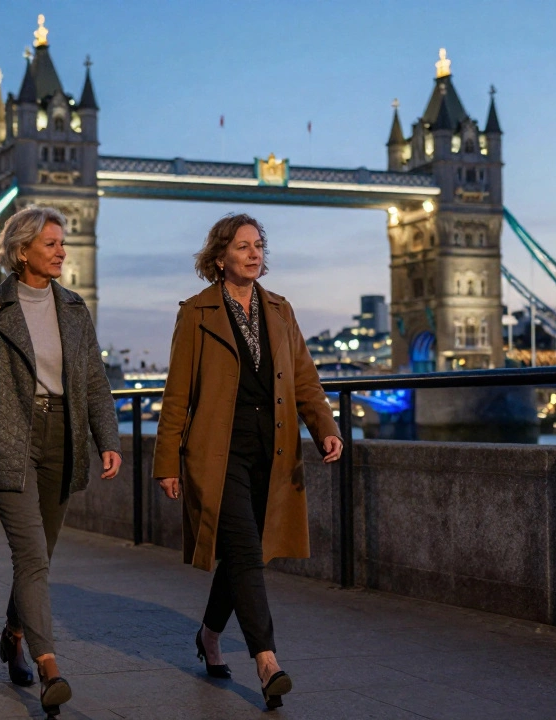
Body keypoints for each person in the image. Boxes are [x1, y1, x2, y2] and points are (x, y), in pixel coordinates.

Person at [0, 206, 121, 717]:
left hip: (64, 438)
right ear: (22, 251)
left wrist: (108, 438)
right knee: (32, 557)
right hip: (9, 440)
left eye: (63, 243)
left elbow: (94, 383)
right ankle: (49, 666)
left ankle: (14, 633)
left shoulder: (75, 308)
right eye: (52, 244)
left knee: (43, 554)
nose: (63, 251)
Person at [153, 214, 343, 710]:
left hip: (274, 450)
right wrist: (166, 462)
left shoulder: (280, 310)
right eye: (242, 247)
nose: (254, 254)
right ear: (220, 258)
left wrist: (325, 428)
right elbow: (178, 394)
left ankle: (209, 635)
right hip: (218, 452)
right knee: (243, 549)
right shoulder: (196, 313)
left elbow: (304, 378)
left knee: (245, 553)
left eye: (259, 245)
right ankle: (267, 661)